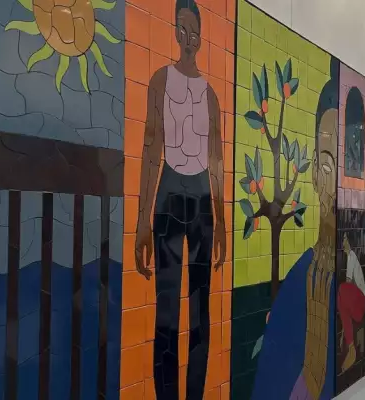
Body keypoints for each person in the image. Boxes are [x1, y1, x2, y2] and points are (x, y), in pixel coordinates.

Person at [134, 1, 226, 398]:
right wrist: (142, 221)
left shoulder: (210, 96)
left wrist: (221, 221)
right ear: (174, 31)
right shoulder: (160, 81)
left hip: (202, 199)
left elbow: (217, 160)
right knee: (167, 314)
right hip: (169, 195)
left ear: (201, 37)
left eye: (194, 31)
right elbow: (151, 149)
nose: (188, 38)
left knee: (200, 314)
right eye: (181, 30)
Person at [251, 57, 340, 400]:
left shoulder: (360, 271)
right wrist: (312, 373)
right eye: (328, 167)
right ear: (315, 174)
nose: (337, 188)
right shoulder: (299, 287)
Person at [337, 233, 365, 372]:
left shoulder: (351, 256)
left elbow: (348, 282)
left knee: (341, 290)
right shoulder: (350, 256)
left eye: (344, 239)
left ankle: (351, 348)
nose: (343, 242)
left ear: (348, 241)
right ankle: (351, 347)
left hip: (359, 303)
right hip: (356, 302)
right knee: (340, 298)